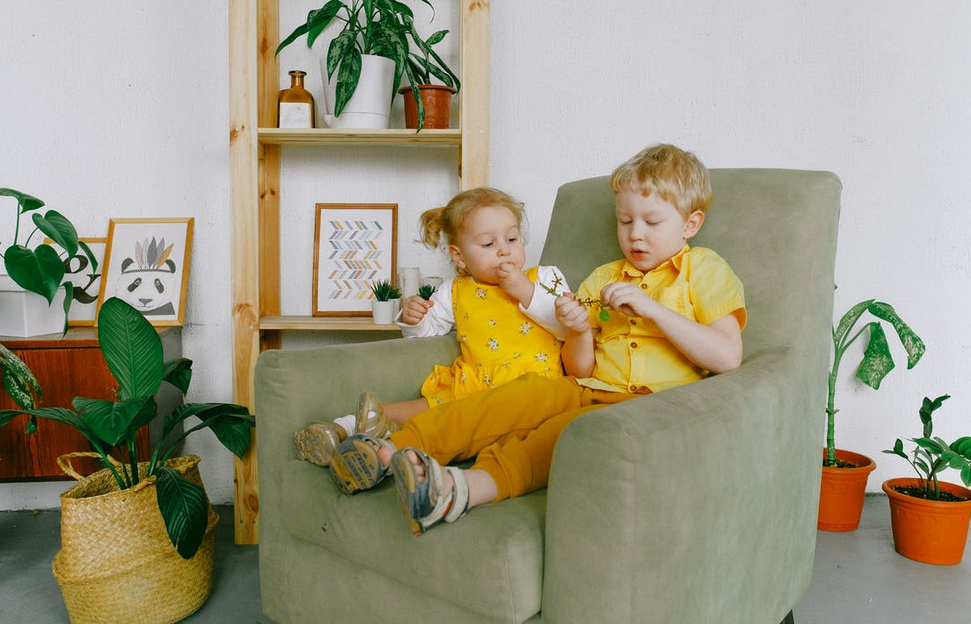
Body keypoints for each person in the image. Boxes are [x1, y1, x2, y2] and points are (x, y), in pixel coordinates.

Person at [327, 143, 747, 536]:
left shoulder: (703, 270)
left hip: (648, 405)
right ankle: (386, 452)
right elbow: (579, 368)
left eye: (652, 222)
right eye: (625, 221)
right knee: (511, 399)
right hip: (586, 386)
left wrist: (653, 308)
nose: (635, 234)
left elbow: (727, 357)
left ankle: (459, 491)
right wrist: (580, 330)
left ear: (691, 224)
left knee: (560, 436)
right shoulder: (604, 277)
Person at [294, 187, 571, 466]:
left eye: (512, 238)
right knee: (418, 408)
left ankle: (383, 450)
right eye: (488, 244)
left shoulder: (546, 278)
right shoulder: (455, 291)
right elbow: (425, 333)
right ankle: (342, 428)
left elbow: (569, 327)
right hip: (471, 387)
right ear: (459, 257)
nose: (504, 250)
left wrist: (524, 290)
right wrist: (412, 319)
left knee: (444, 422)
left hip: (530, 390)